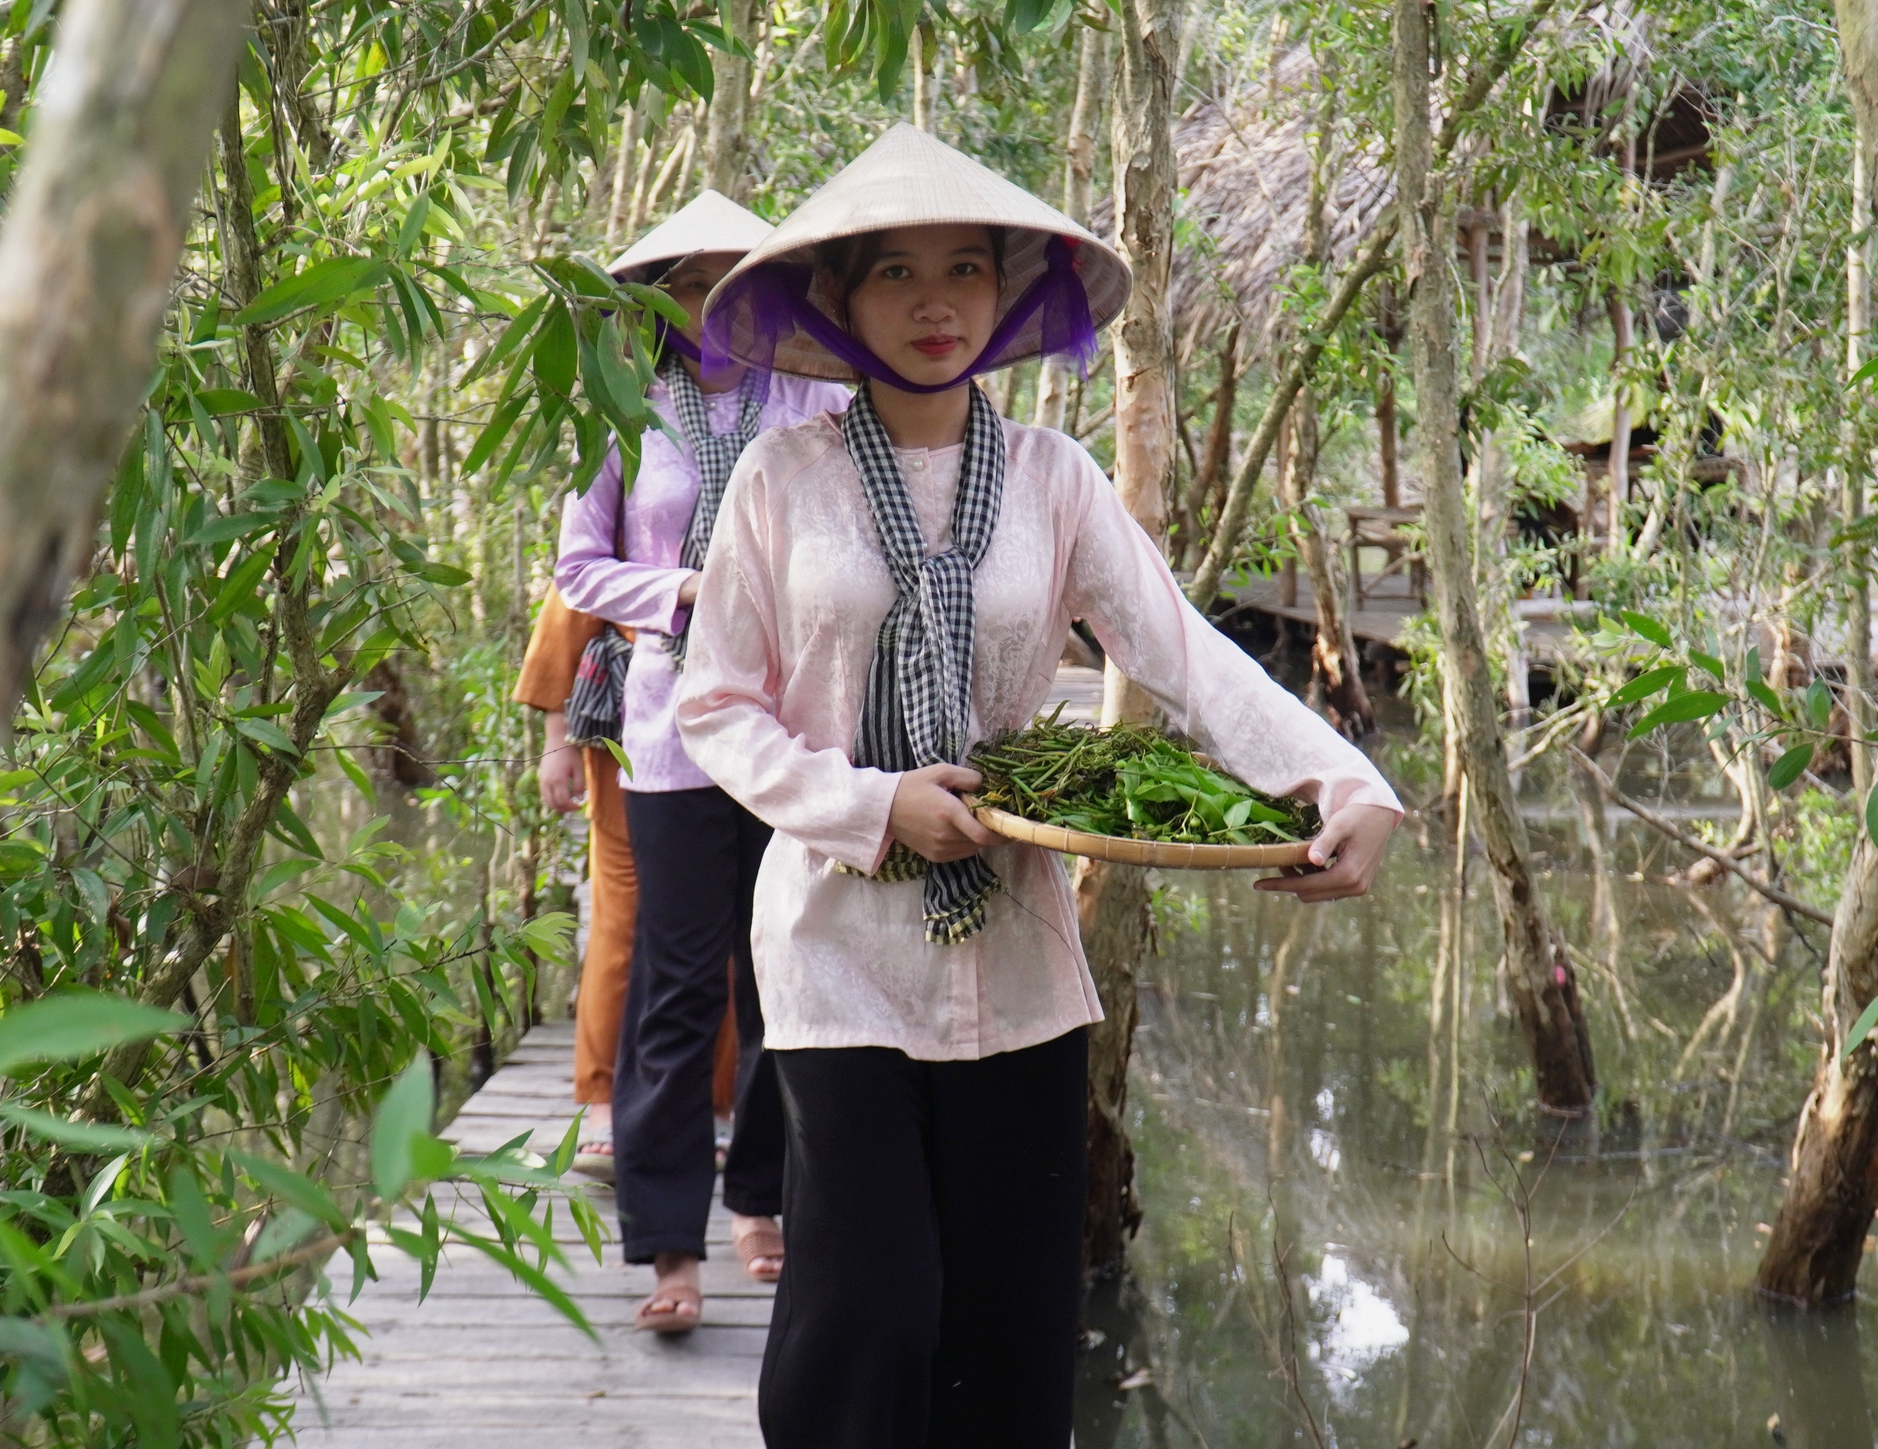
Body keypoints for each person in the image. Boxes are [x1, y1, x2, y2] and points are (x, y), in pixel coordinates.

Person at [680, 124, 1403, 1447]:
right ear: (837, 300)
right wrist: (869, 803)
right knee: (873, 1305)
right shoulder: (782, 480)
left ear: (1013, 291)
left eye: (966, 267)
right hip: (837, 947)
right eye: (894, 273)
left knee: (1012, 1326)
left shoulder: (1054, 481)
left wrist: (1345, 781)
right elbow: (714, 705)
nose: (935, 302)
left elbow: (1184, 657)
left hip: (1013, 956)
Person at [553, 188, 850, 1335]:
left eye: (733, 276)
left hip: (799, 727)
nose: (712, 299)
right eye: (690, 280)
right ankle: (670, 1244)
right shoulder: (623, 409)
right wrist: (684, 588)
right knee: (676, 986)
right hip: (673, 728)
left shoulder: (818, 400)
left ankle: (762, 1200)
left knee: (786, 968)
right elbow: (578, 568)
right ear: (659, 300)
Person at [513, 586, 738, 1183]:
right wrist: (557, 740)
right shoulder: (622, 488)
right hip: (631, 724)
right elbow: (576, 589)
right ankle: (606, 1106)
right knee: (623, 919)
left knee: (734, 922)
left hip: (740, 719)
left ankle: (715, 1106)